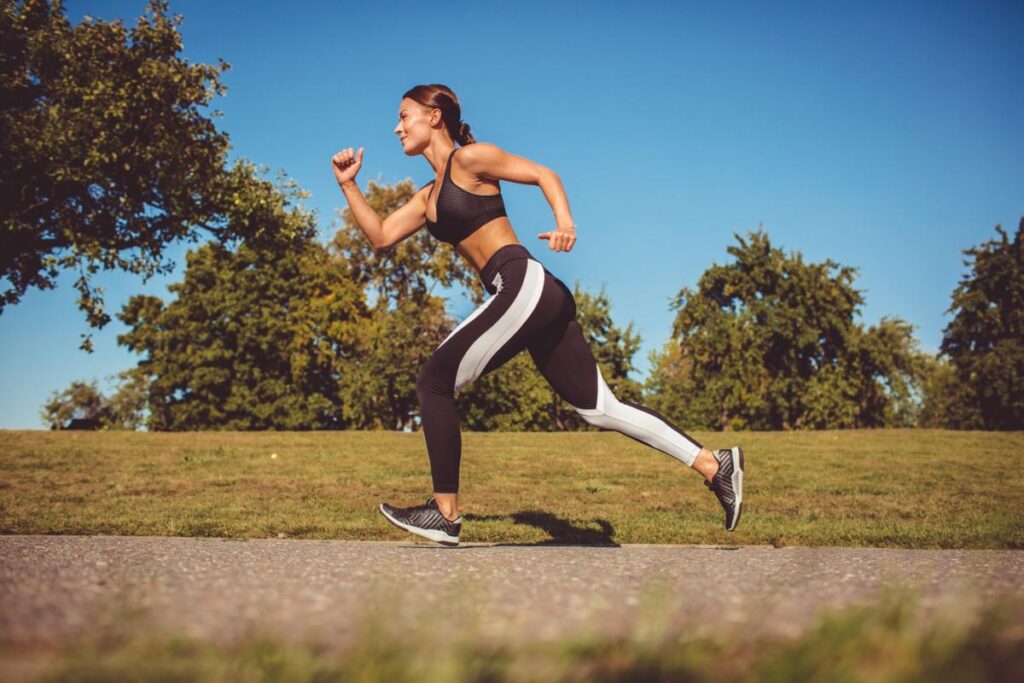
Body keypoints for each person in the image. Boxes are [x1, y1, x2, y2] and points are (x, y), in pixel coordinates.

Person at [332, 83, 743, 547]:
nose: (397, 126)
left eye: (404, 115)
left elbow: (546, 175)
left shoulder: (470, 159)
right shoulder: (427, 198)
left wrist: (566, 224)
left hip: (523, 281)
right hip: (533, 296)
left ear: (434, 117)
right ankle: (716, 465)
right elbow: (382, 236)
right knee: (600, 409)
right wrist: (349, 184)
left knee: (435, 380)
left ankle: (444, 514)